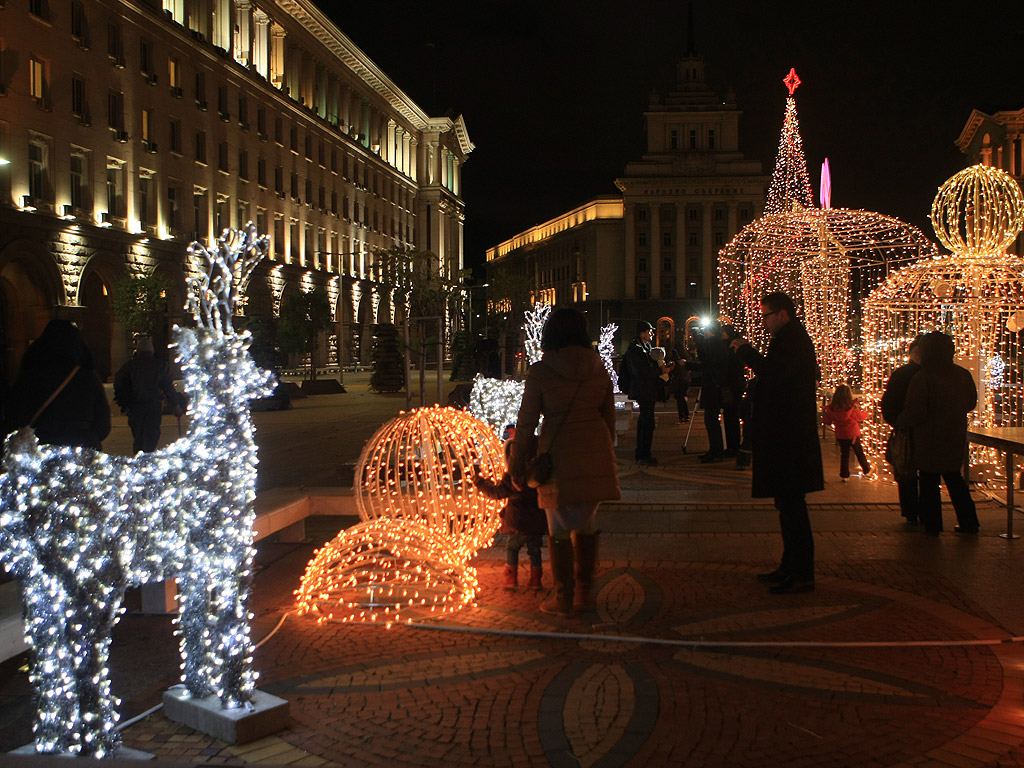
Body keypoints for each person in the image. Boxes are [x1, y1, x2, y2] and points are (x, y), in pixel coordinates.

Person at [511, 307, 620, 616]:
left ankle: (563, 597)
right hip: (594, 451)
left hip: (558, 457)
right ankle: (585, 593)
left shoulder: (541, 371)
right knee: (586, 522)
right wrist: (604, 450)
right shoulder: (598, 368)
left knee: (558, 527)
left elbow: (526, 422)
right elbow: (608, 417)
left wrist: (517, 463)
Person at [731, 292, 823, 594]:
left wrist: (747, 352)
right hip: (788, 436)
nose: (764, 321)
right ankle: (790, 566)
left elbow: (775, 374)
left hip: (790, 438)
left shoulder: (791, 339)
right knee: (787, 506)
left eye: (766, 315)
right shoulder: (789, 338)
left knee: (793, 507)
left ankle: (801, 573)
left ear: (782, 314)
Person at [897, 331, 980, 536]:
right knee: (955, 479)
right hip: (954, 434)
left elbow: (916, 410)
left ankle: (932, 524)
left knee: (928, 481)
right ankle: (969, 521)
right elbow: (970, 402)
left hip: (927, 437)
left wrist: (903, 422)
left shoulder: (923, 377)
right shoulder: (962, 374)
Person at [4, 319, 110, 450]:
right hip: (82, 450)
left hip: (41, 450)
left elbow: (13, 419)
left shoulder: (29, 377)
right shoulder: (87, 378)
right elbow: (103, 426)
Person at [474, 431, 548, 590]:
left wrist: (480, 483)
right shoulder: (538, 476)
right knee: (535, 550)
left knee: (512, 548)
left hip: (518, 522)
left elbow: (495, 493)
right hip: (536, 521)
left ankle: (510, 579)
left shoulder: (512, 478)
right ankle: (536, 580)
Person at [113, 336, 185, 453]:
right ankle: (148, 460)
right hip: (153, 406)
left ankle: (139, 460)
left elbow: (118, 381)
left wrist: (123, 398)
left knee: (138, 437)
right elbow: (168, 387)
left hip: (135, 406)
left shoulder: (130, 366)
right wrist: (176, 405)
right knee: (151, 436)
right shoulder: (159, 366)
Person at [881, 335, 924, 524]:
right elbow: (889, 402)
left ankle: (915, 512)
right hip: (908, 429)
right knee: (908, 471)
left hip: (916, 429)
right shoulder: (904, 374)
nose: (919, 355)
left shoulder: (918, 374)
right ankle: (914, 512)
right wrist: (899, 422)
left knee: (913, 473)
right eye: (916, 351)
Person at [687, 322, 743, 463]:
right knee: (726, 419)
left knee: (718, 419)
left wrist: (688, 364)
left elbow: (709, 364)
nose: (722, 334)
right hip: (725, 386)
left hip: (724, 387)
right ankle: (728, 448)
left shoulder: (722, 345)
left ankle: (723, 450)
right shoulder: (723, 345)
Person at [623, 320, 669, 466]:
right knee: (647, 422)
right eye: (649, 331)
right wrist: (661, 371)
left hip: (648, 388)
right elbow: (641, 372)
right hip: (643, 389)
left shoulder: (645, 346)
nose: (652, 333)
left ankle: (642, 453)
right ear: (642, 333)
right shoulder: (635, 349)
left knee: (646, 421)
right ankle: (643, 454)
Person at [822, 383, 871, 481]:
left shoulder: (833, 408)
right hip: (853, 434)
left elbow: (827, 421)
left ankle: (844, 475)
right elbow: (860, 417)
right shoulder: (851, 407)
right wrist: (867, 413)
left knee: (844, 454)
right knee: (859, 452)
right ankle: (867, 471)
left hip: (841, 435)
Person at [667, 341, 691, 423]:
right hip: (686, 379)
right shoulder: (686, 356)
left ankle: (682, 416)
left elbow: (671, 368)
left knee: (679, 399)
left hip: (679, 379)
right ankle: (686, 414)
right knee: (683, 397)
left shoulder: (674, 358)